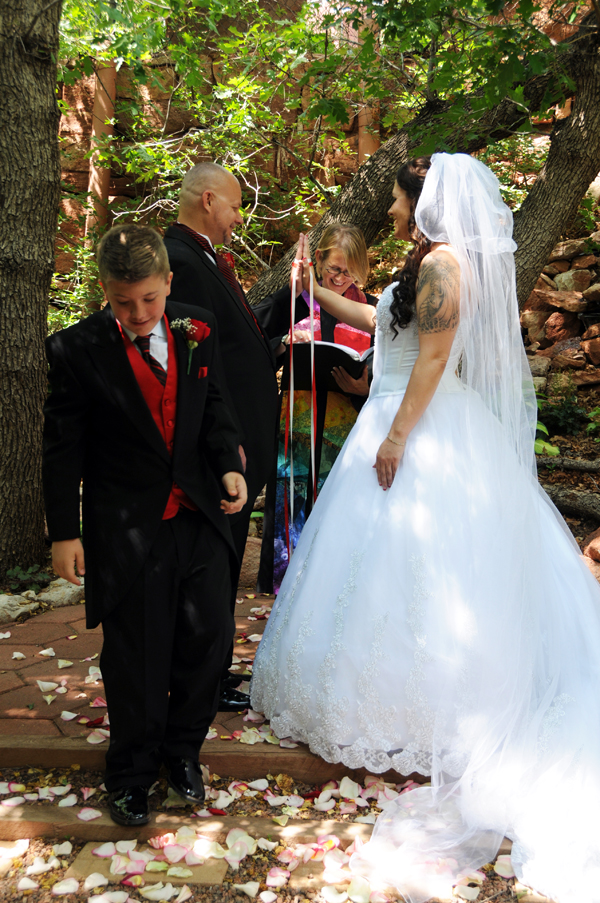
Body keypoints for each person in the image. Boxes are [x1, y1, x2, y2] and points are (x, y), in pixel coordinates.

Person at [251, 154, 600, 903]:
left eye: (403, 199)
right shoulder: (425, 262)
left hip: (419, 427)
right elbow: (385, 324)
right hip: (392, 415)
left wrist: (399, 434)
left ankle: (428, 711)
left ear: (424, 201)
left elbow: (433, 358)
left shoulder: (444, 268)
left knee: (423, 573)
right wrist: (315, 294)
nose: (396, 209)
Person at [43, 224, 247, 827]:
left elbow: (214, 407)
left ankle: (182, 751)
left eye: (149, 300)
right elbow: (63, 448)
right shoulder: (75, 350)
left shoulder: (195, 327)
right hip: (128, 526)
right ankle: (131, 770)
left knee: (208, 640)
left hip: (201, 514)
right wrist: (63, 531)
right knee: (136, 654)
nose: (137, 313)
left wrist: (228, 463)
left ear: (168, 282)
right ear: (105, 290)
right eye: (122, 301)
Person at [163, 162, 291, 712]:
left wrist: (288, 306)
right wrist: (225, 446)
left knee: (226, 559)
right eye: (236, 206)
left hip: (241, 444)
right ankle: (201, 679)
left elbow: (237, 335)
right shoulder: (182, 260)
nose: (239, 218)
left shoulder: (204, 258)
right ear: (209, 200)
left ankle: (212, 671)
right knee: (215, 564)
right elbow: (201, 367)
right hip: (225, 448)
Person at [254, 223, 377, 593]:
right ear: (318, 261)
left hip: (346, 416)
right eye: (333, 269)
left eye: (349, 272)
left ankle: (331, 581)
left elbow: (386, 368)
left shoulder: (368, 308)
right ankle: (283, 579)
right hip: (298, 413)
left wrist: (365, 386)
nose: (339, 278)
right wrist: (282, 343)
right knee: (291, 490)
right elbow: (255, 343)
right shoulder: (293, 300)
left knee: (337, 495)